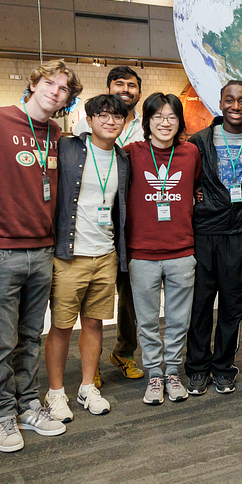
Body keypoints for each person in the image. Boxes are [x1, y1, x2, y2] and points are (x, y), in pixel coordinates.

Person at [0, 59, 79, 453]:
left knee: (31, 336)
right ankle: (1, 413)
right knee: (0, 339)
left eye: (64, 88)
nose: (55, 91)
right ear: (34, 83)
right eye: (50, 82)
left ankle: (28, 405)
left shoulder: (53, 132)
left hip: (42, 250)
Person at [42, 94, 129, 421]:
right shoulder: (68, 149)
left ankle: (87, 386)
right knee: (62, 326)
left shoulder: (123, 159)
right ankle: (55, 392)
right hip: (70, 255)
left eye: (117, 117)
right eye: (103, 116)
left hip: (105, 255)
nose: (110, 121)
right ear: (89, 120)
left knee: (94, 323)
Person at [185, 80, 242, 396]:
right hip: (206, 232)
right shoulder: (199, 141)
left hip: (241, 233)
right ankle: (196, 368)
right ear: (219, 103)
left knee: (232, 307)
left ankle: (223, 367)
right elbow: (185, 179)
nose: (236, 106)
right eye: (230, 100)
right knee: (201, 305)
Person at [123, 93, 201, 405]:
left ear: (180, 121)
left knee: (179, 320)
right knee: (147, 322)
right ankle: (154, 374)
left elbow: (197, 189)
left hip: (181, 251)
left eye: (171, 117)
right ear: (147, 122)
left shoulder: (191, 153)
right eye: (157, 117)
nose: (164, 123)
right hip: (142, 253)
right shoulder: (131, 153)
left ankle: (172, 373)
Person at [74, 67, 147, 387]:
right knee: (93, 301)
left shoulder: (148, 126)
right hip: (94, 228)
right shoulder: (84, 126)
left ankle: (124, 352)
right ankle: (95, 364)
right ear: (108, 88)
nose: (126, 90)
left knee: (130, 297)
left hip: (132, 226)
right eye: (120, 84)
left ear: (138, 93)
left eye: (132, 86)